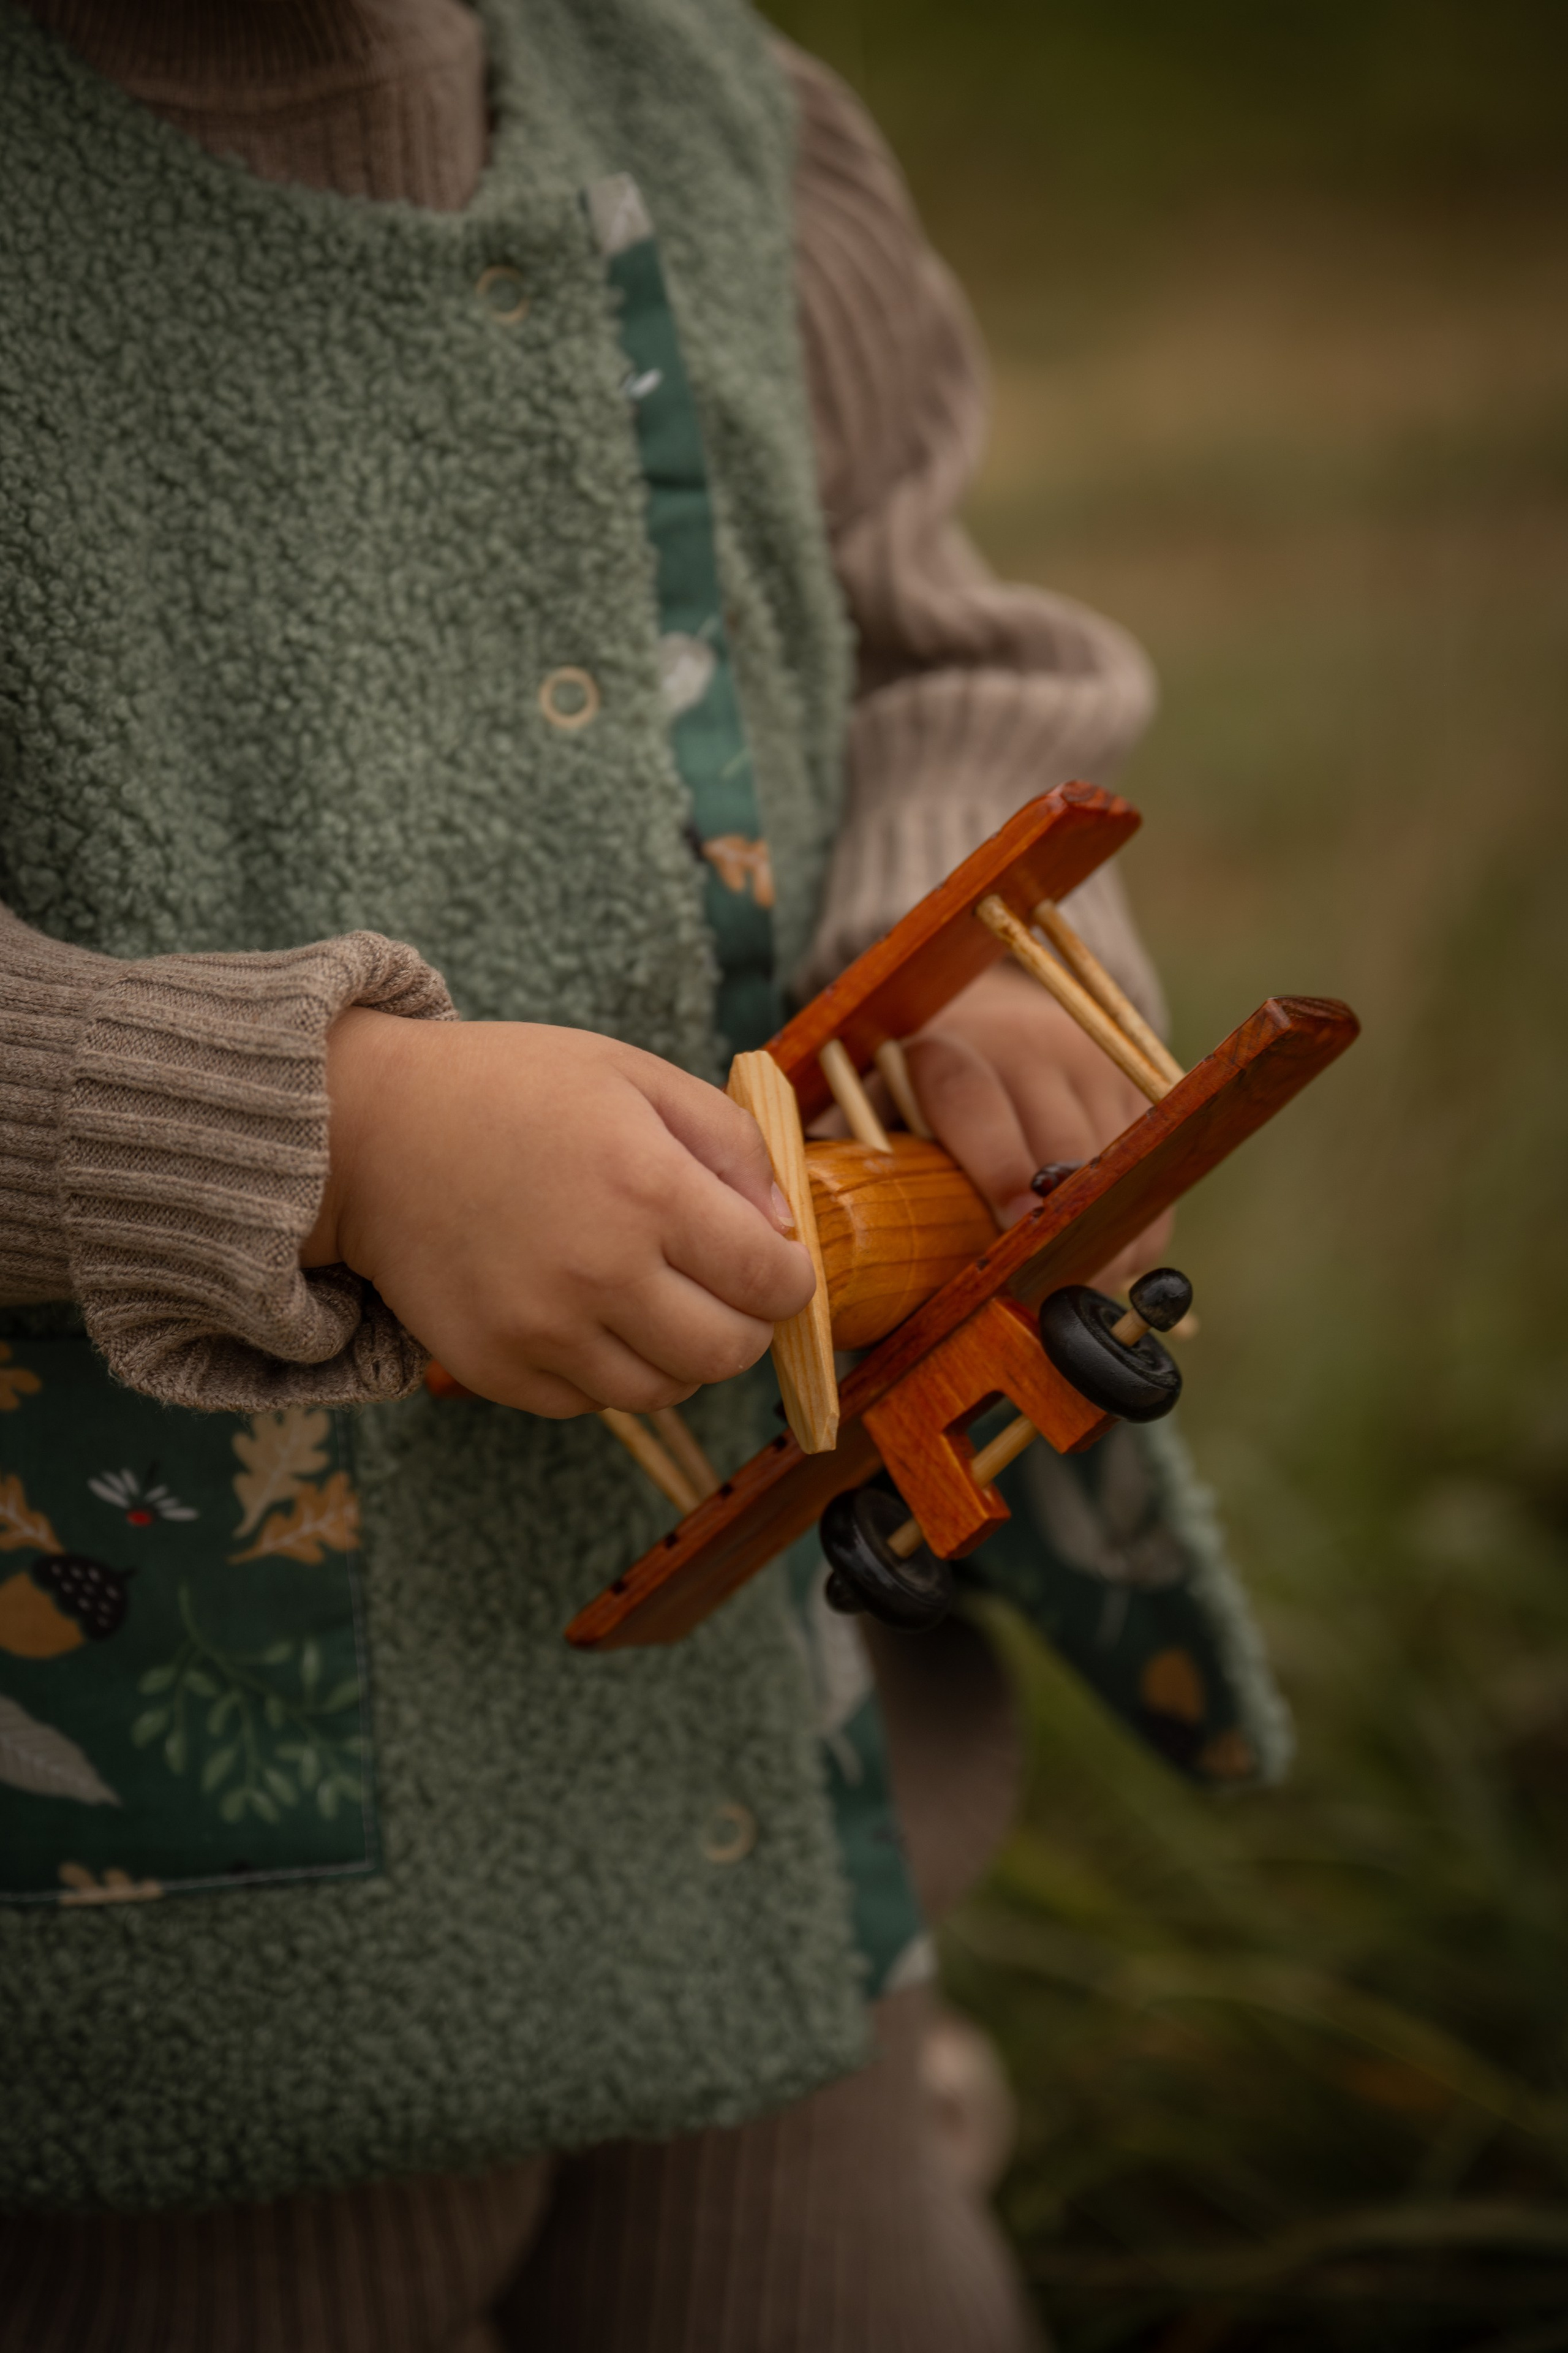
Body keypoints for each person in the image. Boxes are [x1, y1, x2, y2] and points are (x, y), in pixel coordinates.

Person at [0, 4, 1223, 2346]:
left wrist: (956, 955)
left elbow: (926, 649)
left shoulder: (717, 115)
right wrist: (329, 1133)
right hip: (160, 1969)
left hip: (767, 1838)